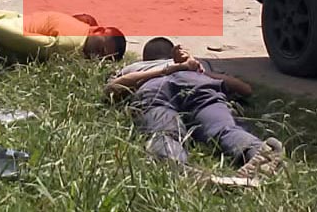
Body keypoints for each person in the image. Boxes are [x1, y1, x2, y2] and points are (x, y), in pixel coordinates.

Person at [106, 46, 282, 177]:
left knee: (164, 132)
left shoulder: (136, 67)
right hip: (197, 84)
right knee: (223, 128)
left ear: (146, 56)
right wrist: (196, 71)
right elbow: (245, 89)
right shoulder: (196, 66)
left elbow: (112, 89)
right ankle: (259, 151)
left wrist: (186, 68)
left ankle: (175, 167)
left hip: (154, 89)